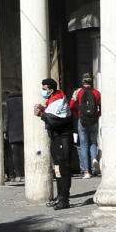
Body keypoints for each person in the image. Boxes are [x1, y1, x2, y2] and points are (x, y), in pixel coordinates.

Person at [35, 77, 73, 210]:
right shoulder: (53, 100)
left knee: (63, 169)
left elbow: (57, 120)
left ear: (51, 90)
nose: (42, 91)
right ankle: (60, 195)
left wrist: (42, 114)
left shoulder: (59, 99)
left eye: (44, 89)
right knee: (57, 169)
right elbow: (52, 114)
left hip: (62, 139)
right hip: (56, 140)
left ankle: (64, 199)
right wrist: (44, 110)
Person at [70, 73, 101, 179]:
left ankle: (86, 171)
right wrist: (97, 116)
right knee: (93, 142)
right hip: (94, 121)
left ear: (83, 81)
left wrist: (79, 112)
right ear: (91, 81)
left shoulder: (78, 92)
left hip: (82, 121)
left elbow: (71, 105)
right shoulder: (97, 93)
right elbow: (100, 107)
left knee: (83, 145)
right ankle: (94, 160)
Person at [3, 88, 24, 183]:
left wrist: (5, 131)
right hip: (25, 130)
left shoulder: (8, 102)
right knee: (25, 152)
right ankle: (27, 173)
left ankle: (18, 175)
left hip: (13, 131)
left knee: (14, 154)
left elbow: (6, 118)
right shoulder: (25, 100)